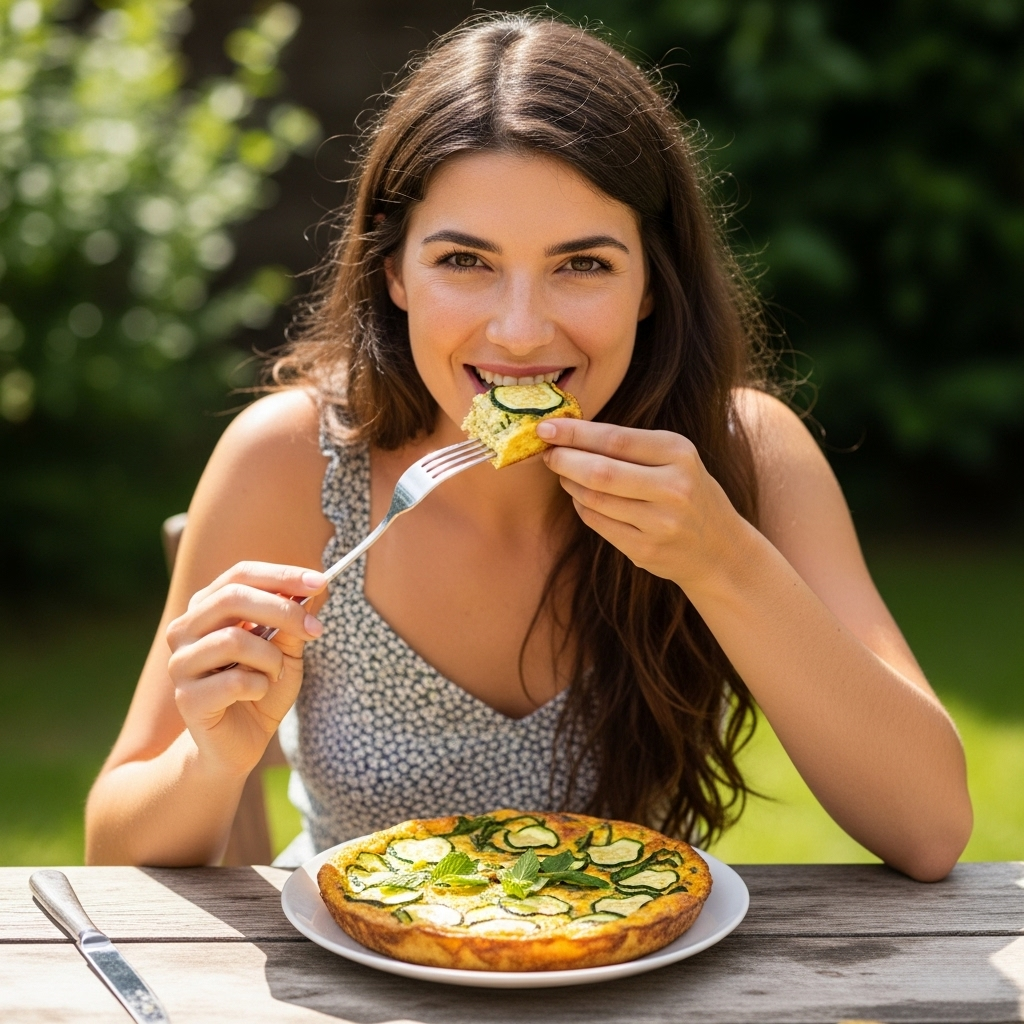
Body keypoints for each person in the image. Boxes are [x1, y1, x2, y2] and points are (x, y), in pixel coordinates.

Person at [85, 14, 971, 880]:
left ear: (651, 284)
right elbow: (111, 855)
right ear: (395, 272)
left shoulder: (744, 456)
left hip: (632, 957)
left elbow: (930, 830)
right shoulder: (290, 460)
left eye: (582, 265)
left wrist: (724, 561)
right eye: (464, 262)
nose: (518, 331)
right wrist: (210, 761)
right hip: (354, 959)